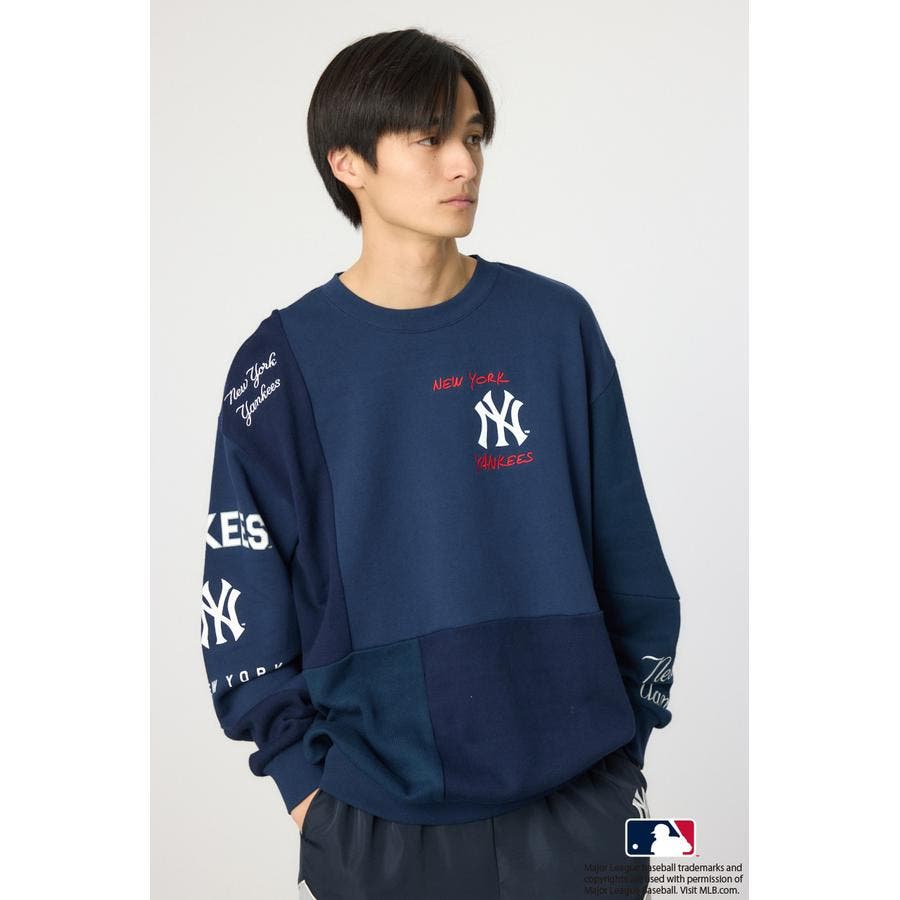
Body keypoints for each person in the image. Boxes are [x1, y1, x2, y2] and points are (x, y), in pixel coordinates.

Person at [199, 26, 681, 900]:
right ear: (347, 162)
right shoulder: (279, 368)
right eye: (430, 139)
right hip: (375, 826)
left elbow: (633, 564)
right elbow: (241, 601)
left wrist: (625, 760)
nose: (465, 163)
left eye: (474, 135)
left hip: (582, 808)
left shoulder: (554, 326)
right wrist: (308, 794)